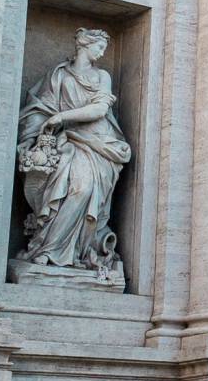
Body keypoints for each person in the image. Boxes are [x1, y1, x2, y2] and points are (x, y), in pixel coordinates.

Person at [16, 29, 131, 277]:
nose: (102, 53)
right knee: (61, 187)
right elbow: (38, 107)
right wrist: (37, 133)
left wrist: (61, 116)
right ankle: (47, 249)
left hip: (98, 143)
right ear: (84, 45)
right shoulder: (58, 76)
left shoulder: (102, 76)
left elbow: (99, 110)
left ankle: (73, 250)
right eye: (98, 47)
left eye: (104, 48)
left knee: (84, 188)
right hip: (66, 141)